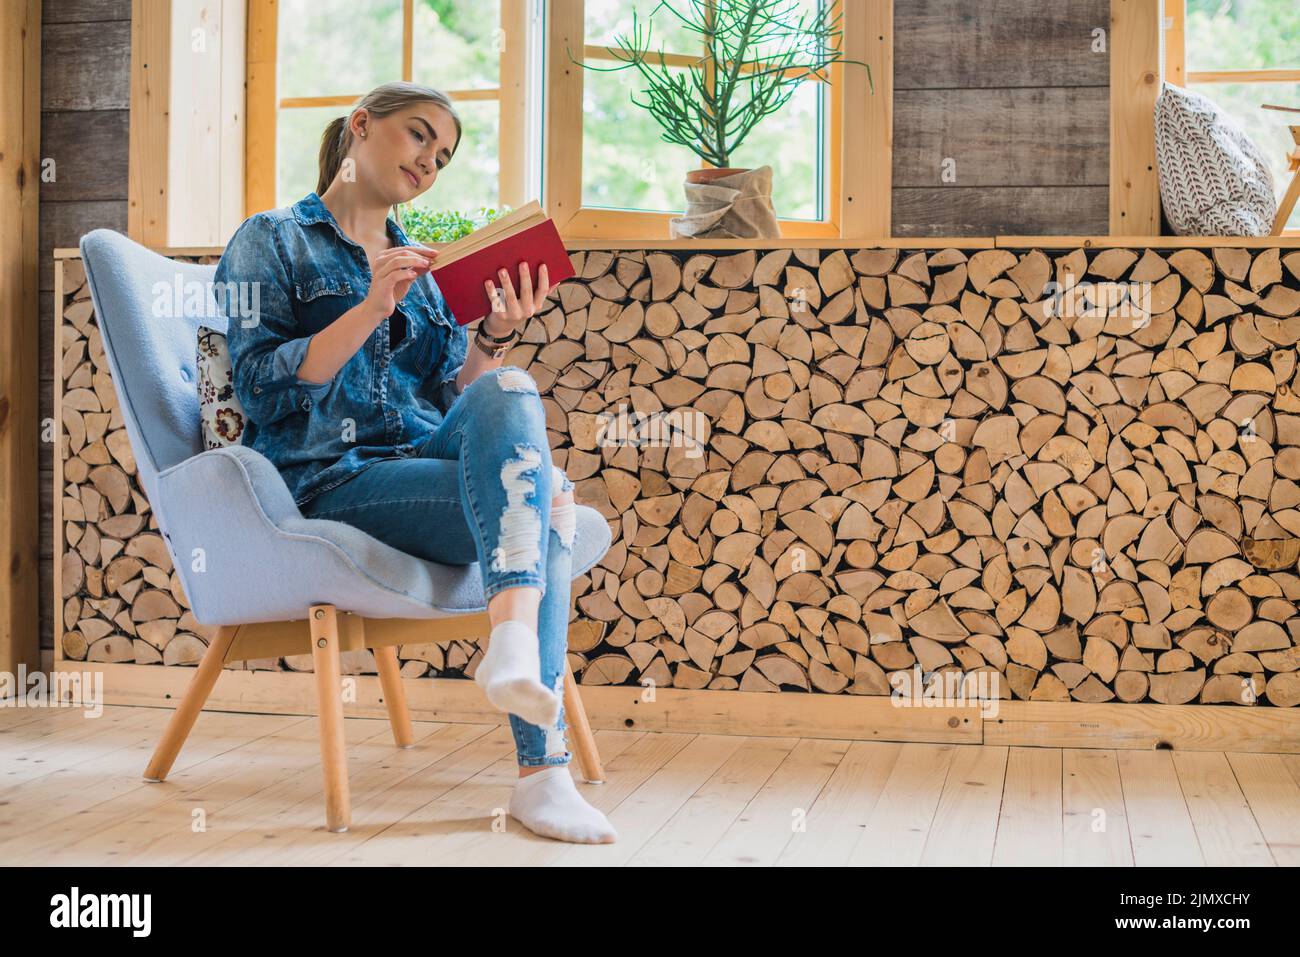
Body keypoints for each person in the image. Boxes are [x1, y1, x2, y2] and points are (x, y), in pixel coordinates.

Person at [213, 81, 616, 844]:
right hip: (333, 479)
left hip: (421, 465)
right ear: (361, 126)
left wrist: (494, 334)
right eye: (419, 135)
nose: (430, 160)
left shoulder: (422, 271)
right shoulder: (270, 240)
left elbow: (458, 407)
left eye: (444, 154)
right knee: (550, 502)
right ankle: (545, 770)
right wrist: (367, 306)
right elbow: (262, 389)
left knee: (510, 388)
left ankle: (512, 647)